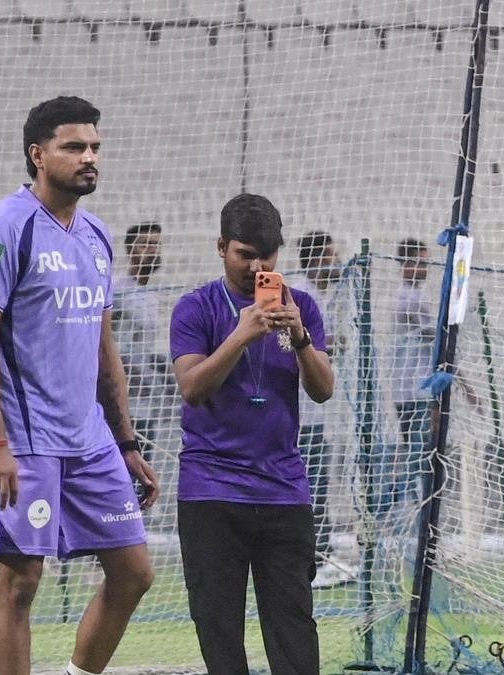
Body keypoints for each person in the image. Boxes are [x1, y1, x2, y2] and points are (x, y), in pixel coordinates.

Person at [0, 96, 159, 675]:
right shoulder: (5, 227)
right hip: (27, 442)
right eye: (74, 147)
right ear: (38, 155)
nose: (88, 157)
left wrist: (126, 441)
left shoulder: (97, 235)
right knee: (21, 582)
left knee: (134, 573)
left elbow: (104, 346)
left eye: (94, 146)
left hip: (92, 442)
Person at [171, 193, 333, 674]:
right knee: (218, 629)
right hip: (212, 490)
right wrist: (241, 335)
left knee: (294, 630)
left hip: (283, 490)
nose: (257, 267)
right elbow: (193, 388)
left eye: (267, 255)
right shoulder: (195, 308)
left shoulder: (302, 306)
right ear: (222, 247)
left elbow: (323, 390)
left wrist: (300, 337)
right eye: (245, 254)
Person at [294, 230, 354, 589]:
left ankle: (322, 553)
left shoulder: (325, 297)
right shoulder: (300, 296)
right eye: (331, 255)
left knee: (319, 481)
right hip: (299, 413)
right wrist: (330, 342)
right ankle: (312, 558)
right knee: (308, 484)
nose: (337, 262)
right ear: (315, 259)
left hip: (316, 414)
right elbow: (291, 341)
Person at [113, 221, 176, 527]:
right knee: (120, 475)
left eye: (156, 244)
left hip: (147, 405)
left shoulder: (151, 293)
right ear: (130, 250)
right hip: (122, 406)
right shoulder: (118, 292)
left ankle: (134, 533)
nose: (153, 250)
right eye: (145, 244)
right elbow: (109, 346)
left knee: (141, 476)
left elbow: (146, 350)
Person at [387, 238, 435, 512]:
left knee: (417, 450)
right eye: (419, 263)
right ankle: (392, 501)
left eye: (426, 263)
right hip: (416, 389)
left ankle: (410, 504)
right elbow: (437, 339)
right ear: (405, 264)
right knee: (419, 452)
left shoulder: (410, 296)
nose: (424, 269)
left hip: (406, 389)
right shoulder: (411, 299)